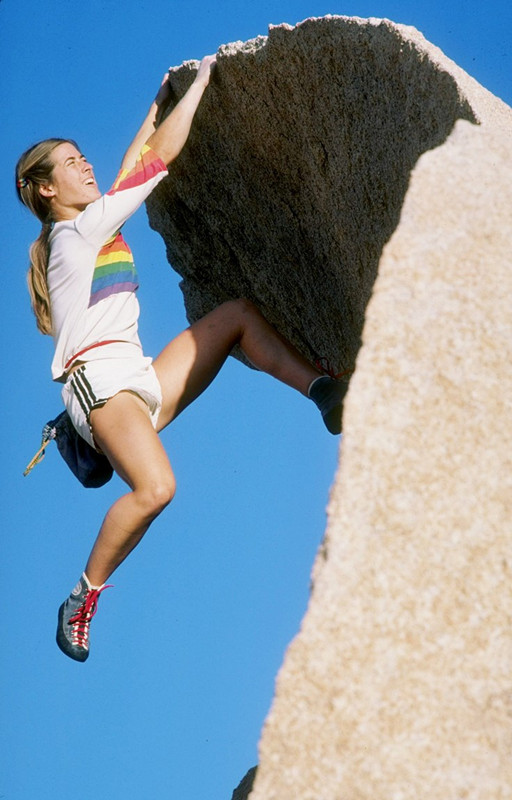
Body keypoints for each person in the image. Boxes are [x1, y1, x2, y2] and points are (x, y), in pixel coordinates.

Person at [16, 54, 347, 663]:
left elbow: (127, 169)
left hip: (137, 379)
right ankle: (81, 597)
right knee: (156, 487)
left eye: (80, 155)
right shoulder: (73, 236)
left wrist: (154, 105)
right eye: (68, 164)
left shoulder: (93, 226)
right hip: (102, 389)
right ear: (45, 190)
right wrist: (201, 89)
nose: (83, 164)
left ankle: (325, 391)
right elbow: (155, 165)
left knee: (236, 316)